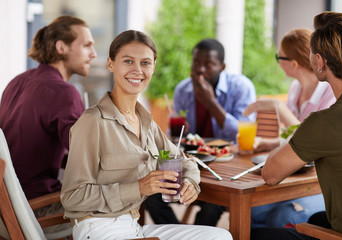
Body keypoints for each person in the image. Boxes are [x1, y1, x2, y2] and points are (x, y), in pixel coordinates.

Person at [60, 30, 232, 240]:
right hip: (98, 229)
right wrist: (138, 188)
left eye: (145, 63)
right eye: (128, 61)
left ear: (153, 67)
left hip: (133, 226)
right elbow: (72, 198)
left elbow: (185, 162)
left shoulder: (146, 122)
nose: (137, 70)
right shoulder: (92, 122)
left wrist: (190, 184)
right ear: (110, 64)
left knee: (220, 236)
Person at [251, 11, 342, 239]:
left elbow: (270, 174)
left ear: (319, 62)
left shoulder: (326, 120)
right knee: (316, 219)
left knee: (252, 233)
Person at [145, 38, 256, 226]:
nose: (200, 69)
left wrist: (210, 102)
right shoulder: (183, 89)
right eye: (196, 62)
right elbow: (177, 136)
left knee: (212, 205)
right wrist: (179, 131)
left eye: (208, 64)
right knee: (151, 195)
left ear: (222, 66)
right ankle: (178, 236)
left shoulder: (241, 87)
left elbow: (242, 130)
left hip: (229, 165)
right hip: (193, 162)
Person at [0, 15, 96, 230]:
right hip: (34, 207)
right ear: (62, 47)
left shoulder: (17, 81)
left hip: (6, 207)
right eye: (87, 45)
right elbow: (88, 154)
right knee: (120, 201)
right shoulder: (64, 92)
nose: (94, 54)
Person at [243, 28, 335, 228]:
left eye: (279, 57)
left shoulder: (330, 93)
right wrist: (269, 143)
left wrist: (279, 108)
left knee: (283, 217)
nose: (277, 61)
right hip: (293, 175)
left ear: (293, 64)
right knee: (249, 209)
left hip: (320, 186)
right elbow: (294, 140)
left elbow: (314, 142)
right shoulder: (295, 89)